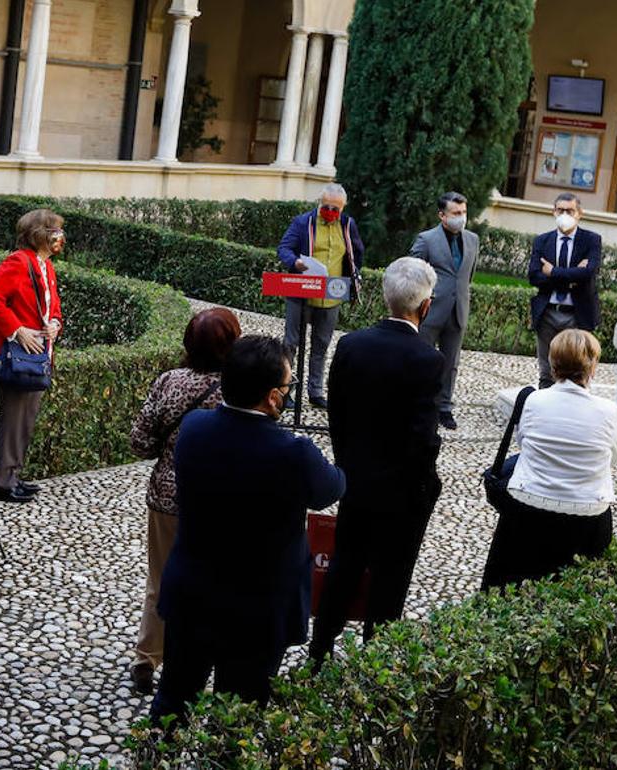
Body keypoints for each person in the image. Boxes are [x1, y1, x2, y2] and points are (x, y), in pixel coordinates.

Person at [151, 336, 344, 719]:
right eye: (288, 388)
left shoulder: (194, 428)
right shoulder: (293, 453)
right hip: (258, 608)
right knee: (239, 717)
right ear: (273, 397)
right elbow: (332, 487)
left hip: (194, 592)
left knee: (173, 700)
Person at [310, 257, 445, 665]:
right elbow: (423, 436)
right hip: (402, 491)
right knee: (392, 575)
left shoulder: (351, 344)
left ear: (385, 298)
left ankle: (319, 650)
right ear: (426, 306)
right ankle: (376, 657)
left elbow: (337, 414)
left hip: (357, 479)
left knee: (345, 565)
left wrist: (348, 463)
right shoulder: (429, 359)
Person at [127, 307, 242, 696]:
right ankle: (203, 659)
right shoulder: (238, 387)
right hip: (220, 503)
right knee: (216, 581)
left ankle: (147, 658)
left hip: (167, 497)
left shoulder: (170, 382)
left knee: (161, 579)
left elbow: (140, 441)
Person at [481, 330, 617, 590]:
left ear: (553, 364)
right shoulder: (610, 412)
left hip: (529, 505)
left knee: (505, 587)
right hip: (587, 513)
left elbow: (525, 444)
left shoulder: (533, 401)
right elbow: (612, 459)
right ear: (592, 367)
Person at [0, 208, 64, 503]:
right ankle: (3, 482)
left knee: (25, 420)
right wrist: (17, 330)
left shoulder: (46, 266)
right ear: (40, 234)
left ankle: (13, 474)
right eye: (55, 231)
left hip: (38, 356)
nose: (60, 237)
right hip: (20, 355)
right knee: (14, 421)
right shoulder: (18, 262)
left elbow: (52, 307)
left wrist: (55, 323)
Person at [277, 182, 365, 409]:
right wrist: (294, 262)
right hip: (301, 292)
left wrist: (353, 275)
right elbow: (284, 248)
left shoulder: (347, 225)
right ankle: (286, 391)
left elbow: (357, 252)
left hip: (331, 295)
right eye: (327, 206)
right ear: (320, 203)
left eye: (336, 208)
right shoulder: (302, 222)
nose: (331, 212)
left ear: (343, 208)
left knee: (322, 345)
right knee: (291, 343)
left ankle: (315, 391)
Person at [410, 191, 480, 430]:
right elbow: (413, 273)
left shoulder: (472, 240)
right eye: (456, 213)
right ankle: (418, 403)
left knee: (451, 362)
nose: (461, 217)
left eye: (463, 212)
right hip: (430, 310)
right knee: (422, 360)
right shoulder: (426, 239)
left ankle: (444, 407)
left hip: (458, 308)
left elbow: (467, 276)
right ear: (442, 215)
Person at [527, 193, 603, 388]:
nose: (565, 214)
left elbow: (588, 273)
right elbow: (534, 276)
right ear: (554, 212)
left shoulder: (591, 240)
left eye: (570, 211)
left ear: (579, 214)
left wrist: (552, 272)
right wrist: (572, 275)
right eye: (560, 210)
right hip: (548, 313)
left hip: (577, 315)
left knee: (577, 371)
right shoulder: (542, 241)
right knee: (547, 372)